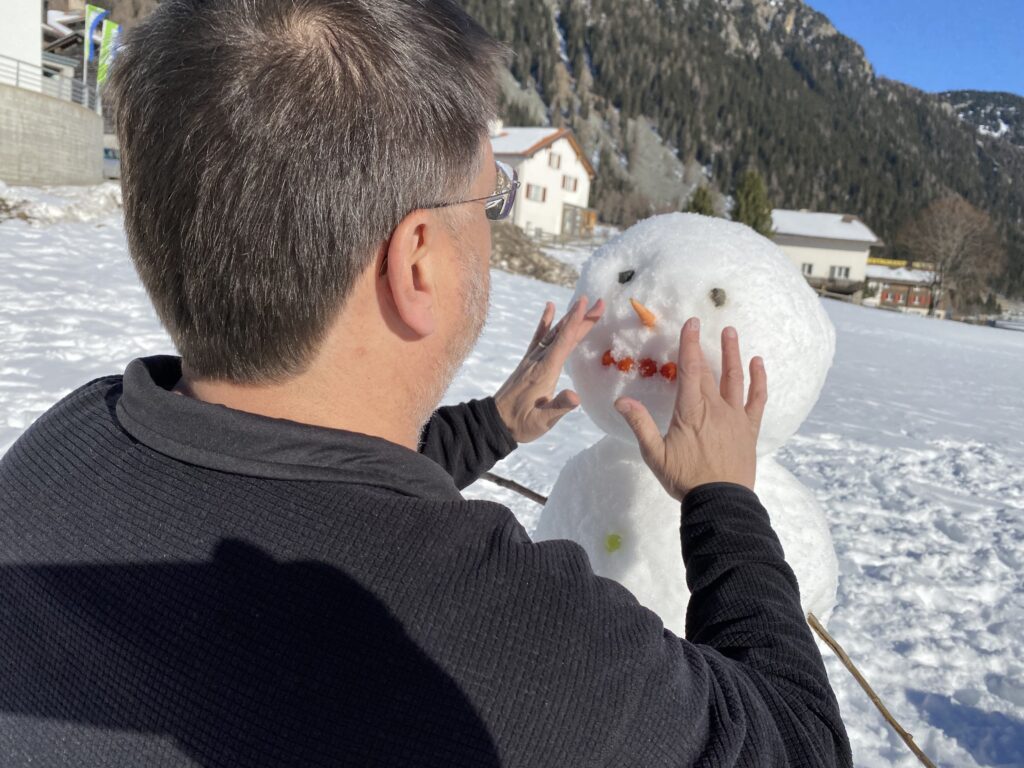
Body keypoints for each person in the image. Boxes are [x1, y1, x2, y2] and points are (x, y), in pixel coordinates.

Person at [0, 0, 852, 765]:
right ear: (415, 262)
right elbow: (797, 746)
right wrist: (725, 500)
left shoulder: (67, 441)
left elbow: (302, 486)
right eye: (487, 200)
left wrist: (487, 427)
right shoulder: (511, 639)